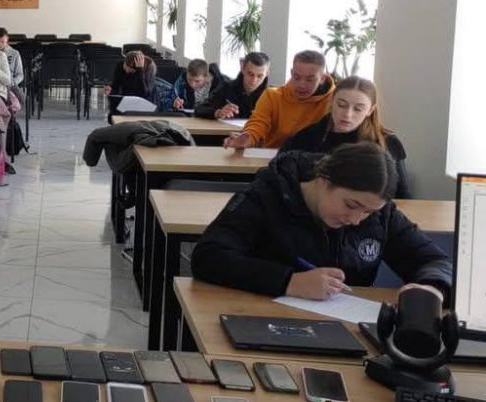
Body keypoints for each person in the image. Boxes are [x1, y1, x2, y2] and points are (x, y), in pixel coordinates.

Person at [191, 143, 450, 305]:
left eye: (368, 212)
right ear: (324, 180)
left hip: (346, 328)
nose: (356, 219)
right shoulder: (268, 195)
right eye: (351, 205)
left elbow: (434, 261)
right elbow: (209, 256)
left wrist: (432, 288)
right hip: (262, 317)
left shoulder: (381, 215)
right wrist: (289, 281)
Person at [280, 76, 411, 198]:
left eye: (358, 109)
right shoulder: (304, 138)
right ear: (332, 102)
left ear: (370, 111)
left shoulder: (387, 142)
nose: (347, 114)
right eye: (341, 105)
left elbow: (402, 196)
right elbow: (279, 181)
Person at [223, 50, 335, 149]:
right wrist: (248, 137)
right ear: (291, 73)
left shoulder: (334, 101)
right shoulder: (272, 96)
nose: (301, 85)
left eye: (309, 80)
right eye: (297, 77)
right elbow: (258, 122)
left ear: (322, 78)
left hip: (314, 161)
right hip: (272, 159)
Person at [194, 52, 270, 120]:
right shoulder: (226, 87)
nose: (254, 80)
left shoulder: (271, 96)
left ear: (266, 74)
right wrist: (218, 113)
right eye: (250, 74)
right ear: (242, 69)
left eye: (260, 76)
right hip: (226, 131)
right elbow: (200, 109)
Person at [104, 50, 156, 115]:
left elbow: (144, 94)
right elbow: (115, 85)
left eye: (131, 70)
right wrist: (110, 89)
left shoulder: (147, 69)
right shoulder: (120, 66)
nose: (126, 69)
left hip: (144, 103)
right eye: (126, 65)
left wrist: (140, 72)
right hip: (125, 101)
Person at [0, 27, 26, 105]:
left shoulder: (14, 53)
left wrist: (12, 83)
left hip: (9, 84)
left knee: (19, 98)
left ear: (7, 39)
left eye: (2, 42)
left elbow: (20, 75)